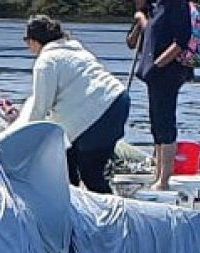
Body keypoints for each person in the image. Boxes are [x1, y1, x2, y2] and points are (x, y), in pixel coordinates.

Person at [21, 15, 130, 194]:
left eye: (26, 41)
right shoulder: (75, 49)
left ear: (34, 40)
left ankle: (103, 207)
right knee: (70, 158)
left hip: (97, 112)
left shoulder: (46, 61)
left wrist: (24, 138)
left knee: (91, 174)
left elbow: (41, 106)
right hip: (118, 100)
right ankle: (76, 194)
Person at [130, 0, 193, 191]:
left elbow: (181, 40)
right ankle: (158, 174)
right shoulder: (154, 7)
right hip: (154, 74)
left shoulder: (176, 4)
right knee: (156, 121)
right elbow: (135, 40)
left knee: (165, 121)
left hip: (169, 72)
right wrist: (140, 16)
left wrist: (157, 66)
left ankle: (164, 179)